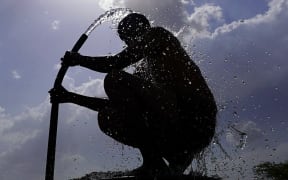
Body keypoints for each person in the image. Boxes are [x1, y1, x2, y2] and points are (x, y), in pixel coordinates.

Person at [49, 13, 217, 176]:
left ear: (139, 29)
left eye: (127, 39)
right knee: (107, 117)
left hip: (196, 119)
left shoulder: (158, 34)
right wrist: (70, 97)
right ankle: (164, 161)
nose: (128, 45)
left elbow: (115, 63)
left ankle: (154, 163)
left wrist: (79, 60)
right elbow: (119, 107)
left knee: (115, 78)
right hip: (176, 129)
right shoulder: (145, 69)